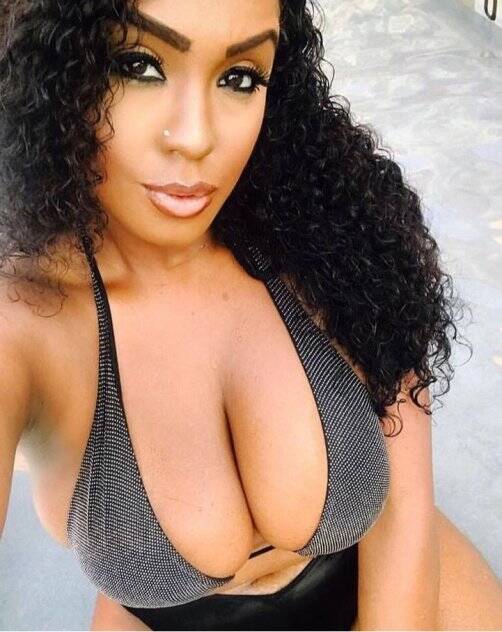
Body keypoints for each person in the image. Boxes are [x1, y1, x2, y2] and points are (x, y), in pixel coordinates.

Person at [0, 0, 501, 630]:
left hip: (384, 573)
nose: (197, 137)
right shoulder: (24, 321)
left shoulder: (333, 226)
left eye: (240, 77)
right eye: (137, 65)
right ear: (47, 72)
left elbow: (403, 501)